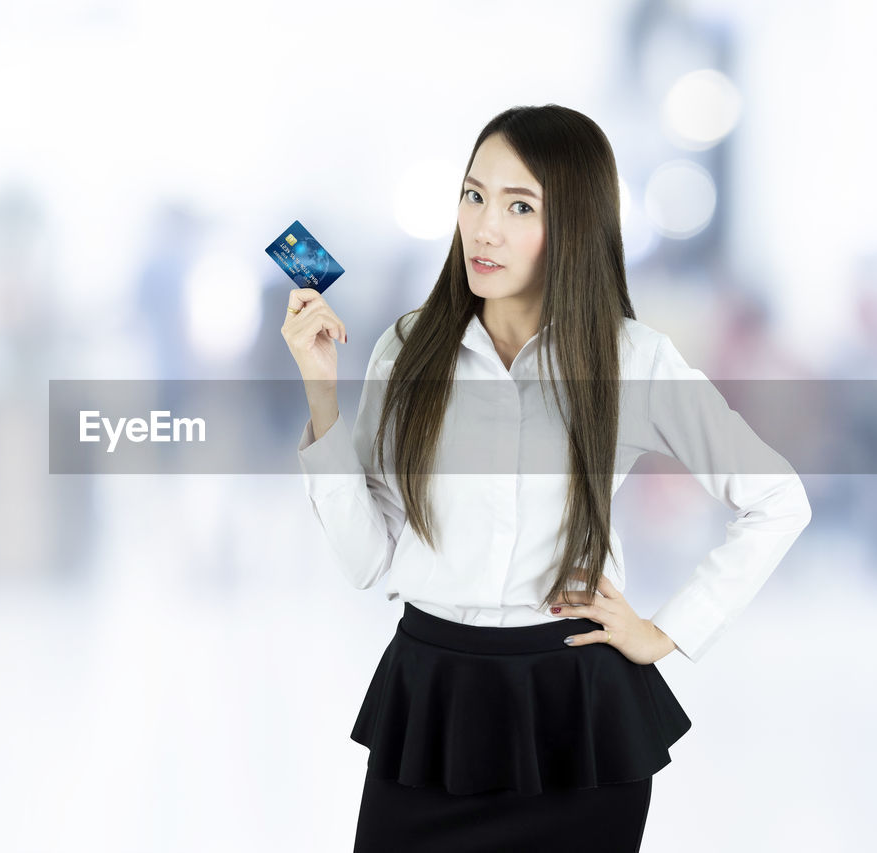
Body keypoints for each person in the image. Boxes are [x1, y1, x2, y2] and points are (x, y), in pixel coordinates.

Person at [280, 104, 812, 852]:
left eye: (519, 205)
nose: (484, 227)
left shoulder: (633, 361)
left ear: (574, 225)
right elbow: (367, 559)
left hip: (578, 718)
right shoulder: (408, 351)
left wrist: (668, 631)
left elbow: (777, 498)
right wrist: (323, 398)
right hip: (431, 702)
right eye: (474, 196)